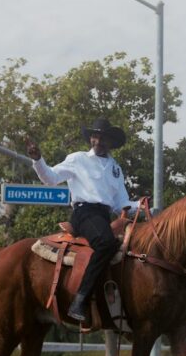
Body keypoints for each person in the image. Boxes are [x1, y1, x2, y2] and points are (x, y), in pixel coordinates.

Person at [26, 117, 140, 323]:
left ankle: (114, 304)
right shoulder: (78, 159)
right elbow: (50, 178)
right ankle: (79, 299)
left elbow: (121, 204)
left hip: (104, 217)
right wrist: (38, 160)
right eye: (95, 136)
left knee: (130, 249)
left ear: (111, 142)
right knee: (106, 243)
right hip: (84, 213)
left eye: (103, 138)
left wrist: (142, 206)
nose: (98, 141)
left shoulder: (116, 169)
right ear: (91, 139)